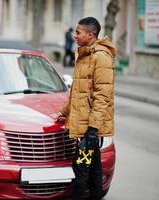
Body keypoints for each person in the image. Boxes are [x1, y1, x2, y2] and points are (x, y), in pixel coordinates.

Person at [55, 17, 117, 200]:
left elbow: (102, 95)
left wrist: (92, 129)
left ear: (91, 35)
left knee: (81, 171)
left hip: (89, 126)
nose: (75, 36)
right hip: (85, 123)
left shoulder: (101, 57)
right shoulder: (85, 55)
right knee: (94, 169)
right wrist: (65, 112)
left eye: (78, 32)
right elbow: (78, 92)